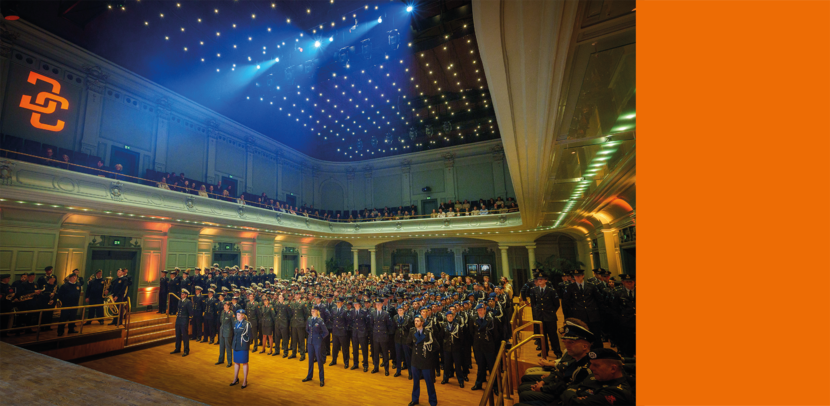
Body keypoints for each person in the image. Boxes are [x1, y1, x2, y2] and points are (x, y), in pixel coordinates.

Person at [558, 348, 634, 406]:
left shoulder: (618, 392)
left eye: (596, 365)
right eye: (591, 364)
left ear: (613, 368)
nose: (590, 368)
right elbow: (572, 386)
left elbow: (575, 404)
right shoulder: (596, 376)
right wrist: (571, 393)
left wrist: (571, 392)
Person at [408, 315, 439, 406]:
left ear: (422, 322)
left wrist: (428, 352)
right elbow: (408, 343)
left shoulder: (428, 332)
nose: (416, 322)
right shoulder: (412, 331)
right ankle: (415, 399)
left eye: (418, 321)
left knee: (429, 383)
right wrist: (415, 350)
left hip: (426, 362)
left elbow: (436, 346)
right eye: (415, 321)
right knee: (415, 382)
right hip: (415, 361)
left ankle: (433, 401)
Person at [530, 275, 563, 358]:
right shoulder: (534, 290)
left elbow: (556, 304)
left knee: (553, 335)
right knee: (542, 335)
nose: (540, 280)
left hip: (549, 316)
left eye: (542, 279)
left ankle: (557, 352)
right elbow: (534, 303)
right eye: (539, 279)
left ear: (546, 280)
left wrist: (550, 312)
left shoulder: (551, 290)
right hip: (540, 317)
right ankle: (545, 351)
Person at [470, 302, 497, 391]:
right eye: (478, 310)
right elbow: (471, 332)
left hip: (488, 346)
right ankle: (478, 384)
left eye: (481, 310)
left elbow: (495, 334)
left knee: (491, 367)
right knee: (480, 366)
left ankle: (495, 386)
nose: (480, 312)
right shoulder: (473, 318)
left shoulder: (490, 319)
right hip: (478, 346)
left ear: (485, 310)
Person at [303, 304, 329, 387]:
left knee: (319, 360)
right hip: (310, 342)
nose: (312, 311)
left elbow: (326, 332)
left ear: (317, 311)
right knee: (310, 360)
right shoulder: (309, 319)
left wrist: (319, 338)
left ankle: (321, 379)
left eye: (314, 310)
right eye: (311, 310)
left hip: (317, 342)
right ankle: (309, 376)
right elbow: (307, 329)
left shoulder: (320, 320)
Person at [439, 311, 466, 387]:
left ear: (453, 317)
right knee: (446, 365)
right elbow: (441, 336)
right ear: (446, 317)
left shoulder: (457, 325)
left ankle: (460, 380)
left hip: (456, 349)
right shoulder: (444, 325)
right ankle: (445, 378)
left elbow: (461, 338)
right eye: (448, 316)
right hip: (447, 348)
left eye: (451, 316)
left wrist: (459, 347)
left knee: (458, 366)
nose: (449, 318)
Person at [614, 274, 636, 357]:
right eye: (627, 281)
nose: (630, 283)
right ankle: (628, 357)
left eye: (631, 281)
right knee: (627, 340)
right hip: (626, 321)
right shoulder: (618, 293)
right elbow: (615, 308)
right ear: (623, 282)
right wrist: (620, 319)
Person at [371, 298, 394, 376]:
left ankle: (386, 369)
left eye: (379, 304)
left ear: (382, 304)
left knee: (385, 354)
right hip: (376, 336)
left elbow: (389, 326)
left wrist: (387, 335)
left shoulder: (386, 314)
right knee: (376, 353)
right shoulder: (373, 313)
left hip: (383, 336)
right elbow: (371, 324)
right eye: (376, 304)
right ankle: (376, 367)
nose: (377, 305)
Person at [231, 309, 252, 389]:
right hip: (236, 344)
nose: (237, 316)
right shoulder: (235, 323)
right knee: (236, 362)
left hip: (243, 345)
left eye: (239, 315)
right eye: (237, 315)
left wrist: (246, 343)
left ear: (243, 315)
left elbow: (250, 336)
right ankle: (235, 378)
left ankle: (245, 380)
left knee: (244, 363)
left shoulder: (247, 324)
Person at [329, 296, 351, 368]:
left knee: (344, 348)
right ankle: (334, 360)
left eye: (339, 302)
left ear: (342, 303)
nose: (337, 303)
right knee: (334, 347)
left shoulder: (345, 310)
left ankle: (346, 362)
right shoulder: (334, 309)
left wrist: (345, 328)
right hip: (335, 331)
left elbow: (348, 321)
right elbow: (331, 318)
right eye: (337, 302)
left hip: (342, 331)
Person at [171, 288, 193, 357]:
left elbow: (190, 312)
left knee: (185, 336)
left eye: (183, 294)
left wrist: (189, 319)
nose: (181, 295)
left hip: (184, 320)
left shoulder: (188, 302)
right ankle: (177, 348)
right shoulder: (180, 301)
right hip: (179, 319)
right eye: (181, 294)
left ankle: (186, 350)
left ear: (186, 295)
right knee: (177, 335)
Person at [350, 300, 370, 372]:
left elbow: (367, 322)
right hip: (355, 333)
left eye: (356, 304)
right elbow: (351, 322)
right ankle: (355, 364)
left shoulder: (364, 312)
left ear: (360, 305)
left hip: (362, 333)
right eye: (354, 304)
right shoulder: (352, 312)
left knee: (364, 350)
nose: (355, 305)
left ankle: (365, 365)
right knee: (355, 349)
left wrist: (365, 331)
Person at [393, 305, 413, 378]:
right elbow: (394, 328)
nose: (399, 312)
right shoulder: (395, 317)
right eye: (398, 310)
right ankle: (398, 371)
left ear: (404, 311)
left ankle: (410, 372)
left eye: (401, 310)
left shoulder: (408, 318)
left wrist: (409, 340)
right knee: (398, 356)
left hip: (405, 340)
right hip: (398, 339)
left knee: (407, 357)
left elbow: (410, 329)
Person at [216, 301, 235, 367]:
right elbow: (221, 321)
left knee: (228, 347)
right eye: (224, 305)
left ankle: (229, 362)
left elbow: (233, 323)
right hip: (222, 330)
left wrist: (234, 333)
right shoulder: (223, 312)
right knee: (221, 346)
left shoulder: (231, 313)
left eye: (225, 305)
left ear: (229, 306)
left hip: (228, 331)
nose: (224, 307)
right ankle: (221, 360)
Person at [274, 293, 291, 357]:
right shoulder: (277, 304)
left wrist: (286, 321)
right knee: (277, 337)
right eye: (279, 297)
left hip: (284, 323)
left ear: (283, 298)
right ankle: (277, 350)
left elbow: (289, 314)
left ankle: (285, 352)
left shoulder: (286, 304)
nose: (279, 298)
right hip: (278, 322)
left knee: (285, 338)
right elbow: (276, 312)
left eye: (280, 297)